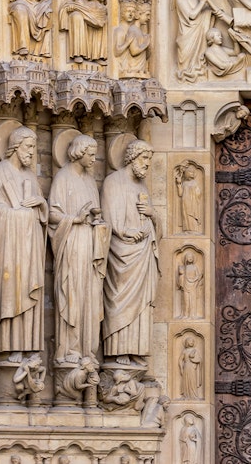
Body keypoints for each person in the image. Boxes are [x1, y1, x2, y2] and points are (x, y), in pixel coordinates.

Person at [0, 126, 47, 361]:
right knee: (10, 288)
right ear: (15, 146)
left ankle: (28, 346)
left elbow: (43, 210)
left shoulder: (30, 175)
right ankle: (9, 347)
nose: (32, 152)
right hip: (9, 245)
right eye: (29, 146)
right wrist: (22, 213)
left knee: (29, 290)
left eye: (34, 147)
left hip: (30, 245)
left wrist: (40, 203)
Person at [49, 133, 107, 364]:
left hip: (90, 246)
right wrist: (74, 218)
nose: (94, 159)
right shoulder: (63, 178)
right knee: (71, 296)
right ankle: (69, 351)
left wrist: (99, 224)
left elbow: (96, 212)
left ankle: (87, 350)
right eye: (91, 155)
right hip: (71, 244)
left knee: (89, 298)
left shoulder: (90, 181)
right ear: (80, 153)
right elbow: (53, 214)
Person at [102, 140, 160, 365]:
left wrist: (152, 215)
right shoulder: (113, 182)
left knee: (142, 304)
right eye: (144, 158)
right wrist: (126, 231)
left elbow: (151, 221)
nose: (147, 164)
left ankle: (135, 350)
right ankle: (118, 352)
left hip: (142, 253)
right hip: (122, 253)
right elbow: (109, 218)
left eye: (149, 159)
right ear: (132, 157)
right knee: (119, 299)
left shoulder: (142, 187)